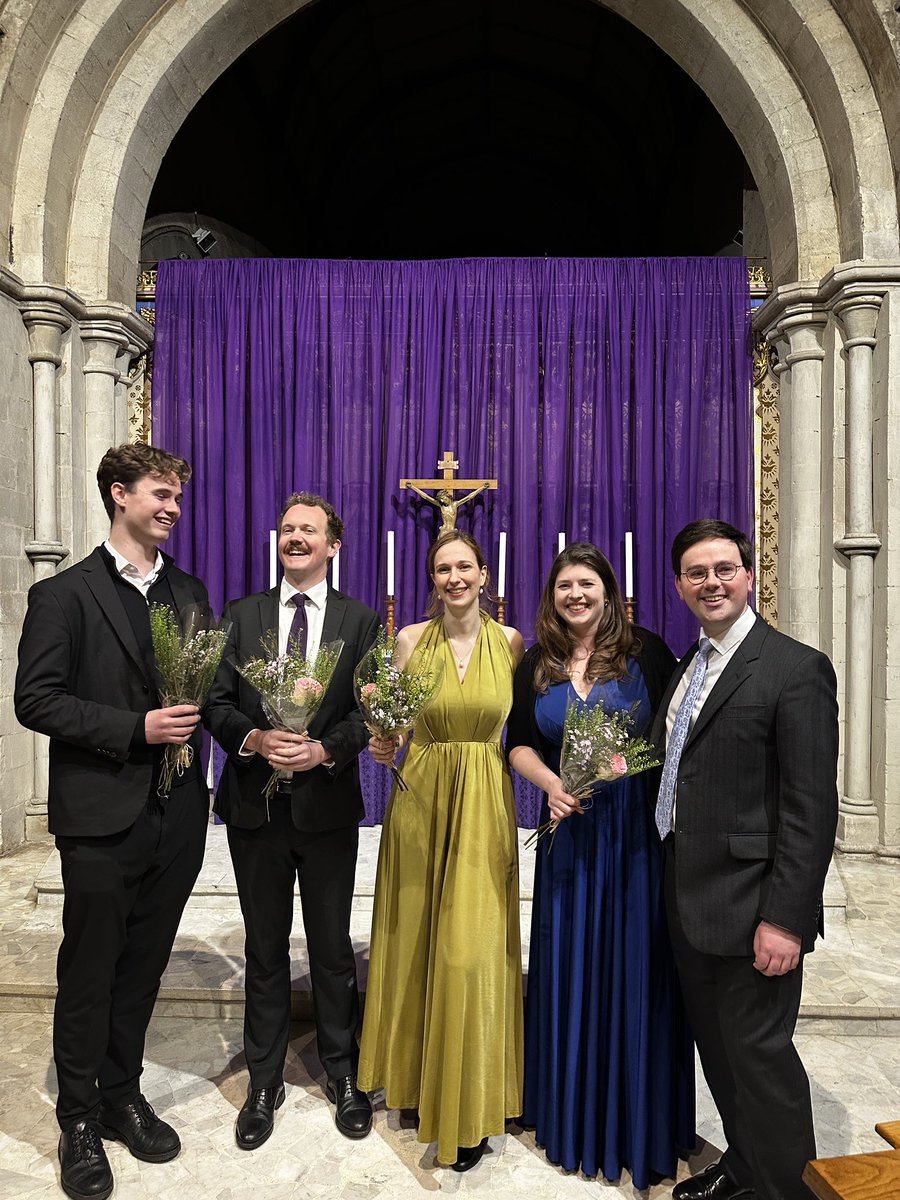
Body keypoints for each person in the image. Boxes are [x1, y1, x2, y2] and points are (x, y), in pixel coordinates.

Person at [15, 443, 211, 1200]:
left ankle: (121, 1092)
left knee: (144, 967)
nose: (172, 508)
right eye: (161, 494)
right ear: (118, 494)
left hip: (179, 816)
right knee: (90, 973)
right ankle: (77, 1118)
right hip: (100, 817)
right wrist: (138, 729)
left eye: (177, 498)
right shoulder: (64, 595)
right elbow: (36, 699)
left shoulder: (189, 592)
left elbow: (214, 694)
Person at [655, 520, 839, 1200]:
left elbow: (810, 809)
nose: (711, 582)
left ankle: (790, 1190)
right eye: (696, 573)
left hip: (754, 908)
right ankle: (747, 1169)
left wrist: (785, 920)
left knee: (762, 1064)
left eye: (723, 569)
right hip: (690, 902)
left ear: (749, 575)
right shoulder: (689, 665)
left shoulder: (794, 668)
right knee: (723, 1059)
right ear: (678, 585)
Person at [506, 542, 695, 1189]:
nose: (576, 595)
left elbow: (674, 738)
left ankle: (635, 1120)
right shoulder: (537, 662)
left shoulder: (647, 653)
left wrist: (623, 767)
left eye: (586, 584)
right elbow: (519, 745)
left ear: (608, 591)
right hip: (568, 834)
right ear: (552, 596)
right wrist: (552, 783)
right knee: (569, 969)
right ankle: (568, 1116)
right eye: (565, 586)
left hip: (635, 835)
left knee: (634, 968)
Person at [204, 491, 379, 1150]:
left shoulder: (360, 622)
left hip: (327, 810)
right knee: (264, 950)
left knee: (332, 951)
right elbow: (216, 701)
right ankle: (265, 1082)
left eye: (308, 530)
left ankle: (342, 1074)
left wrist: (325, 748)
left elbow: (372, 712)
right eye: (286, 529)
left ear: (333, 545)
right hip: (256, 809)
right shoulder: (242, 615)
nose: (295, 538)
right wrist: (252, 739)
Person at [359, 530, 525, 1172]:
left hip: (483, 799)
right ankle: (410, 1079)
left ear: (485, 575)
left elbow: (529, 725)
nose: (455, 577)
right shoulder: (407, 642)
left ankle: (471, 1099)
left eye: (465, 567)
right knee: (415, 936)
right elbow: (393, 726)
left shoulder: (510, 644)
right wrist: (382, 739)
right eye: (443, 569)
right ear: (432, 579)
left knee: (471, 948)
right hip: (422, 801)